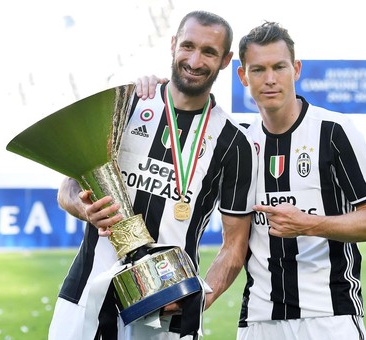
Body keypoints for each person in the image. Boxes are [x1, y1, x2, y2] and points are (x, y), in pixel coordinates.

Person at [48, 10, 257, 340]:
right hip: (85, 298)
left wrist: (201, 295)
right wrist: (82, 207)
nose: (195, 60)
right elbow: (67, 189)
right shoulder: (127, 103)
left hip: (167, 315)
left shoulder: (234, 143)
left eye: (209, 52)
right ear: (173, 44)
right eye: (187, 46)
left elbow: (234, 245)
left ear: (226, 60)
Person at [235, 22, 366, 339]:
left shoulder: (333, 131)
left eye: (279, 67)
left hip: (329, 316)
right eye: (258, 69)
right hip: (259, 321)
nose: (271, 79)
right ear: (243, 76)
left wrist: (307, 224)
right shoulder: (241, 146)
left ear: (297, 69)